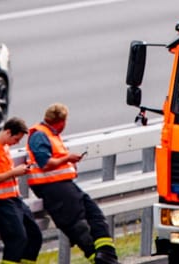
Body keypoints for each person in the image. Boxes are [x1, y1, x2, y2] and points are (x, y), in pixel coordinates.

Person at [25, 103, 117, 264]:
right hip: (53, 188)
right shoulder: (40, 135)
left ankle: (107, 255)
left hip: (65, 185)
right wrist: (68, 159)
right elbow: (44, 163)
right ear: (61, 121)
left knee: (95, 216)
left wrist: (69, 164)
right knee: (77, 226)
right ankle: (100, 260)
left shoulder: (51, 135)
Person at [0, 116, 42, 264]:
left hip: (14, 198)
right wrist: (15, 172)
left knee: (34, 236)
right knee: (17, 240)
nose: (16, 143)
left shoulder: (5, 148)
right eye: (16, 139)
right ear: (8, 132)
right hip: (2, 202)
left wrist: (20, 170)